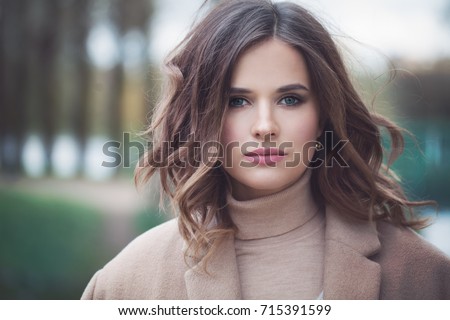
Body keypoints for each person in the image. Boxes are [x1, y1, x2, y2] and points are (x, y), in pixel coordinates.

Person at [82, 0, 450, 299]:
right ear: (202, 116)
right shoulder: (125, 283)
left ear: (324, 114)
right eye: (237, 101)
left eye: (290, 99)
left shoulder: (425, 277)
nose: (265, 126)